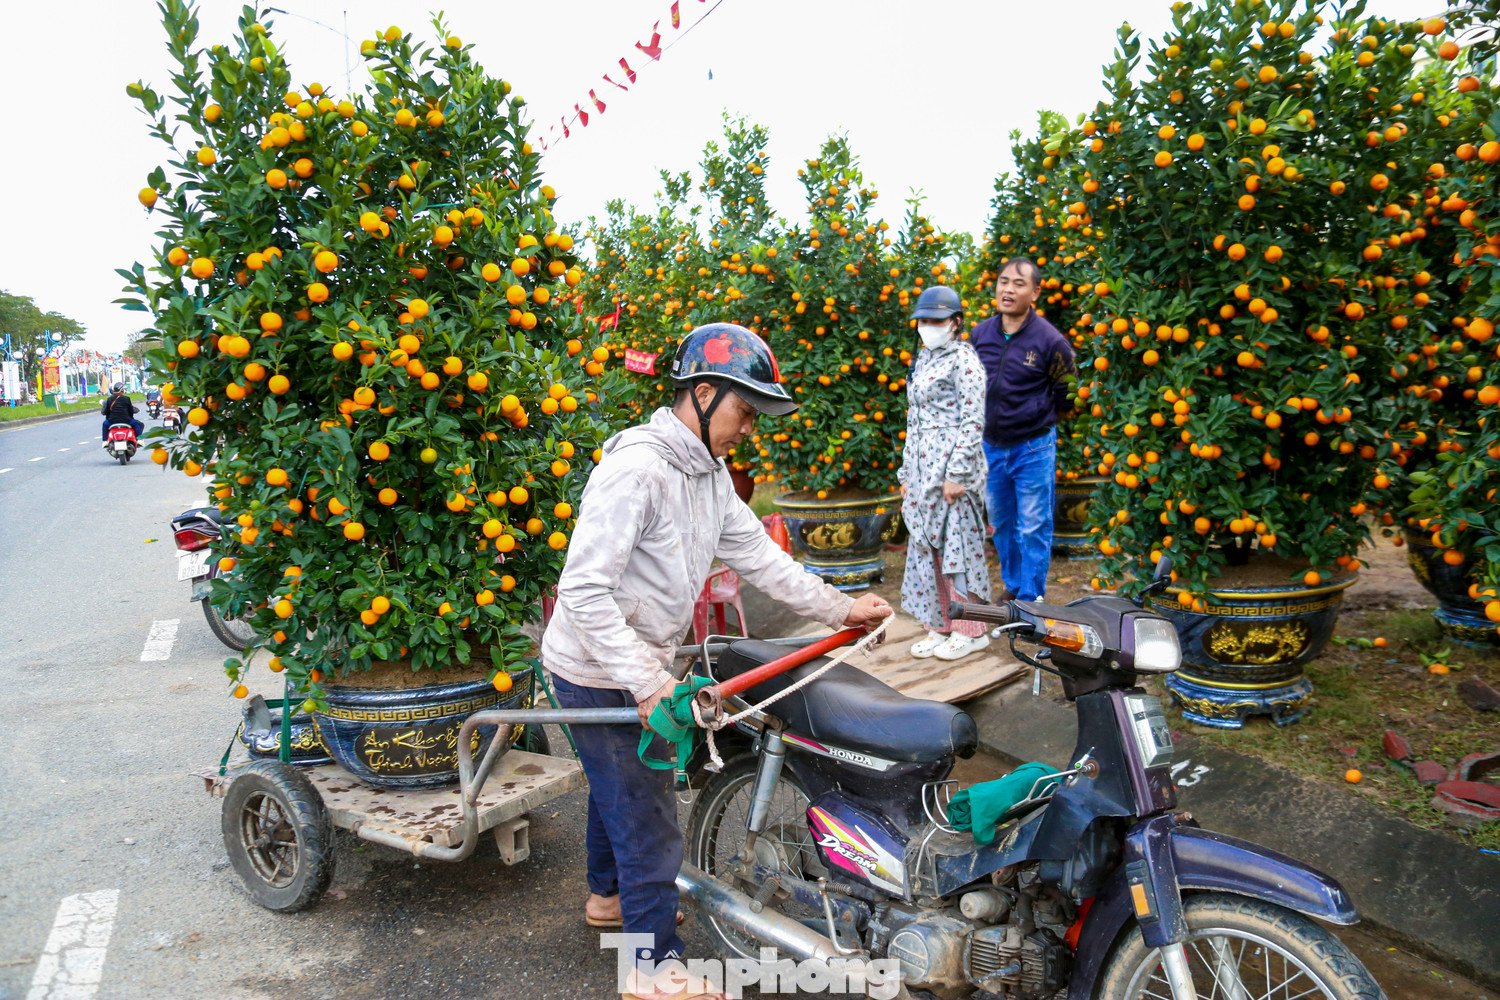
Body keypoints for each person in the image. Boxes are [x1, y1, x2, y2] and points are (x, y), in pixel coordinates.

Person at [540, 322, 892, 1000]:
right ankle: (649, 967)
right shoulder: (636, 470)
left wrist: (839, 609)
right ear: (701, 393)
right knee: (645, 807)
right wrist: (647, 685)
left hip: (636, 658)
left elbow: (758, 558)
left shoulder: (707, 476)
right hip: (595, 666)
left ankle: (609, 901)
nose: (748, 428)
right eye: (743, 410)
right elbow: (583, 590)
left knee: (617, 786)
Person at [969, 259, 1076, 614]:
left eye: (1018, 284)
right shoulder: (980, 334)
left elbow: (1067, 393)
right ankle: (1013, 586)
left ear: (1035, 292)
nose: (1008, 290)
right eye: (1003, 282)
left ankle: (1032, 597)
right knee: (1001, 523)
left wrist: (1037, 419)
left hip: (1033, 446)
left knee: (1033, 524)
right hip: (990, 447)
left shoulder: (1050, 341)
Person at [898, 286, 992, 661]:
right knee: (927, 548)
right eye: (923, 320)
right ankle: (940, 625)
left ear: (955, 323)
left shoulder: (964, 361)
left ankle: (972, 630)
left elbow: (972, 421)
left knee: (959, 549)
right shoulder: (922, 359)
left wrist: (956, 474)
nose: (928, 327)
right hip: (923, 470)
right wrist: (907, 473)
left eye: (936, 320)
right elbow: (914, 419)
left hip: (954, 470)